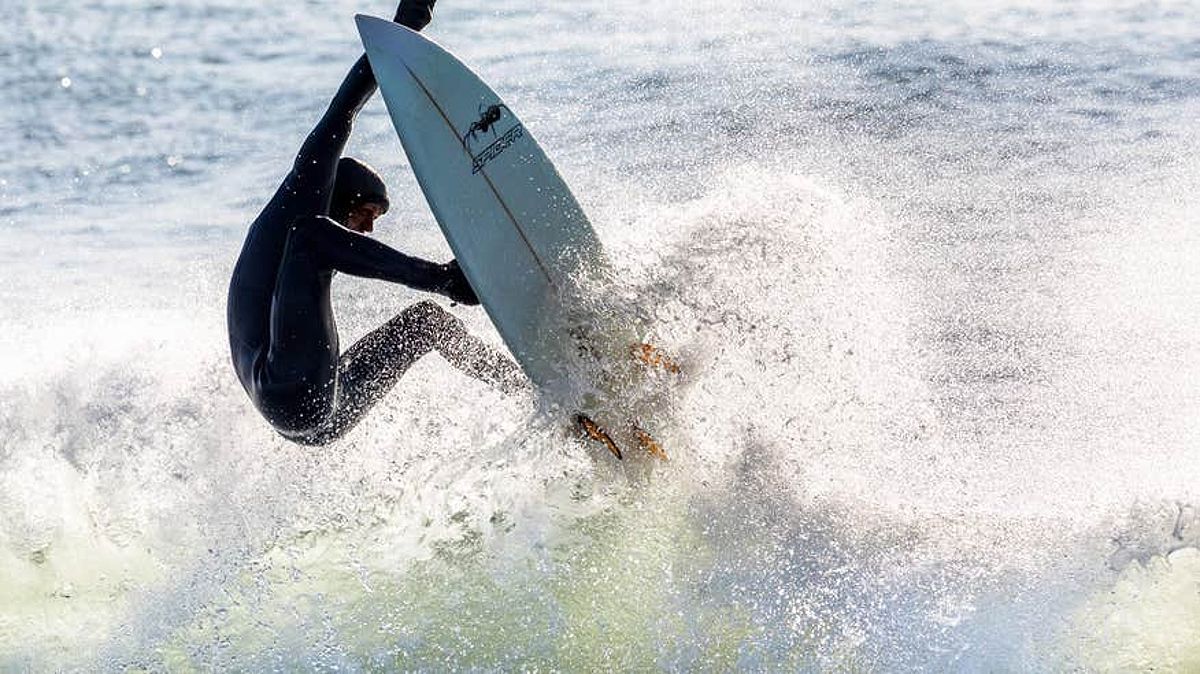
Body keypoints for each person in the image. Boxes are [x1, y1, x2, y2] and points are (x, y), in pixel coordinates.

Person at [227, 0, 524, 445]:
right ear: (338, 193)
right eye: (365, 214)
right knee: (312, 239)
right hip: (288, 392)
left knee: (426, 324)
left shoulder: (300, 253)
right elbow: (339, 117)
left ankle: (526, 391)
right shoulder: (300, 202)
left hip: (326, 413)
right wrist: (408, 26)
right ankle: (441, 279)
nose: (366, 230)